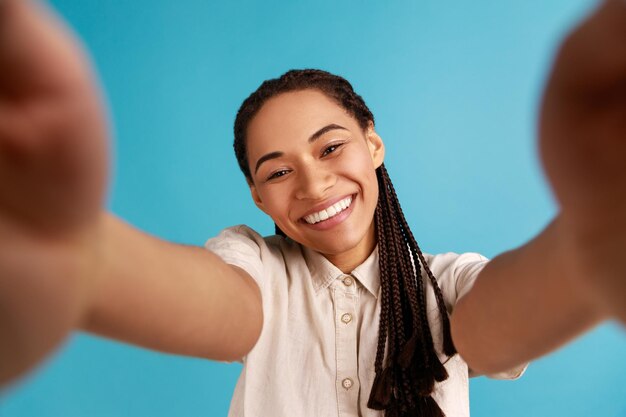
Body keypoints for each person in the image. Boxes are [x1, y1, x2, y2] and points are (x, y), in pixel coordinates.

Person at [0, 0, 624, 416]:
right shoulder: (255, 266)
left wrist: (588, 246)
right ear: (257, 195)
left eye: (331, 147)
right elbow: (216, 305)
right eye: (277, 171)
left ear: (373, 144)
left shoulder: (445, 282)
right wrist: (80, 257)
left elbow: (495, 329)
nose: (314, 183)